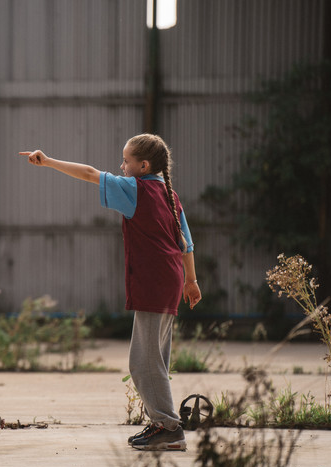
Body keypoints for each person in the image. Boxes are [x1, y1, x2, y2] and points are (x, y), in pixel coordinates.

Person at [19, 134, 201, 451]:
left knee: (143, 362)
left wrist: (47, 161)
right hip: (170, 280)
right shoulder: (169, 195)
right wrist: (191, 281)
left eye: (126, 161)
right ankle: (161, 424)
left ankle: (169, 428)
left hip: (153, 281)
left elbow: (90, 174)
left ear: (143, 166)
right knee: (154, 358)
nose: (121, 166)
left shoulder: (136, 189)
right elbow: (187, 242)